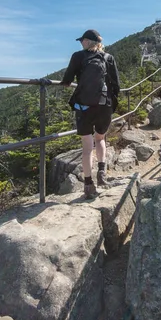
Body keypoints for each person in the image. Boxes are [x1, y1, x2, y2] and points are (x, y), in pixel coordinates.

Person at [61, 29, 120, 199]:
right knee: (100, 139)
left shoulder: (78, 56)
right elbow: (116, 85)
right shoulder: (108, 57)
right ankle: (102, 174)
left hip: (84, 106)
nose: (81, 43)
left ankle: (88, 185)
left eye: (83, 40)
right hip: (104, 105)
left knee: (87, 148)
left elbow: (67, 80)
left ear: (88, 42)